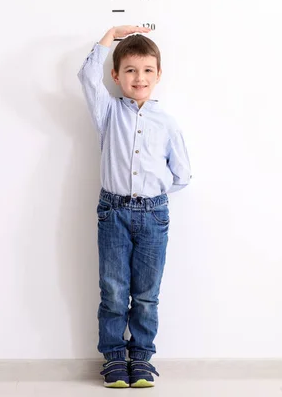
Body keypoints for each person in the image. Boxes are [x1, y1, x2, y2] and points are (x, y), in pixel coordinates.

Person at [77, 25, 192, 388]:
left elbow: (182, 175)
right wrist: (111, 35)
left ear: (158, 75)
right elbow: (85, 76)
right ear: (116, 75)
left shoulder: (167, 123)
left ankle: (141, 359)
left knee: (145, 294)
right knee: (113, 290)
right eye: (129, 70)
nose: (138, 77)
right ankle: (113, 359)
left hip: (154, 213)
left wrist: (152, 196)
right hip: (113, 212)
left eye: (146, 70)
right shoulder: (108, 112)